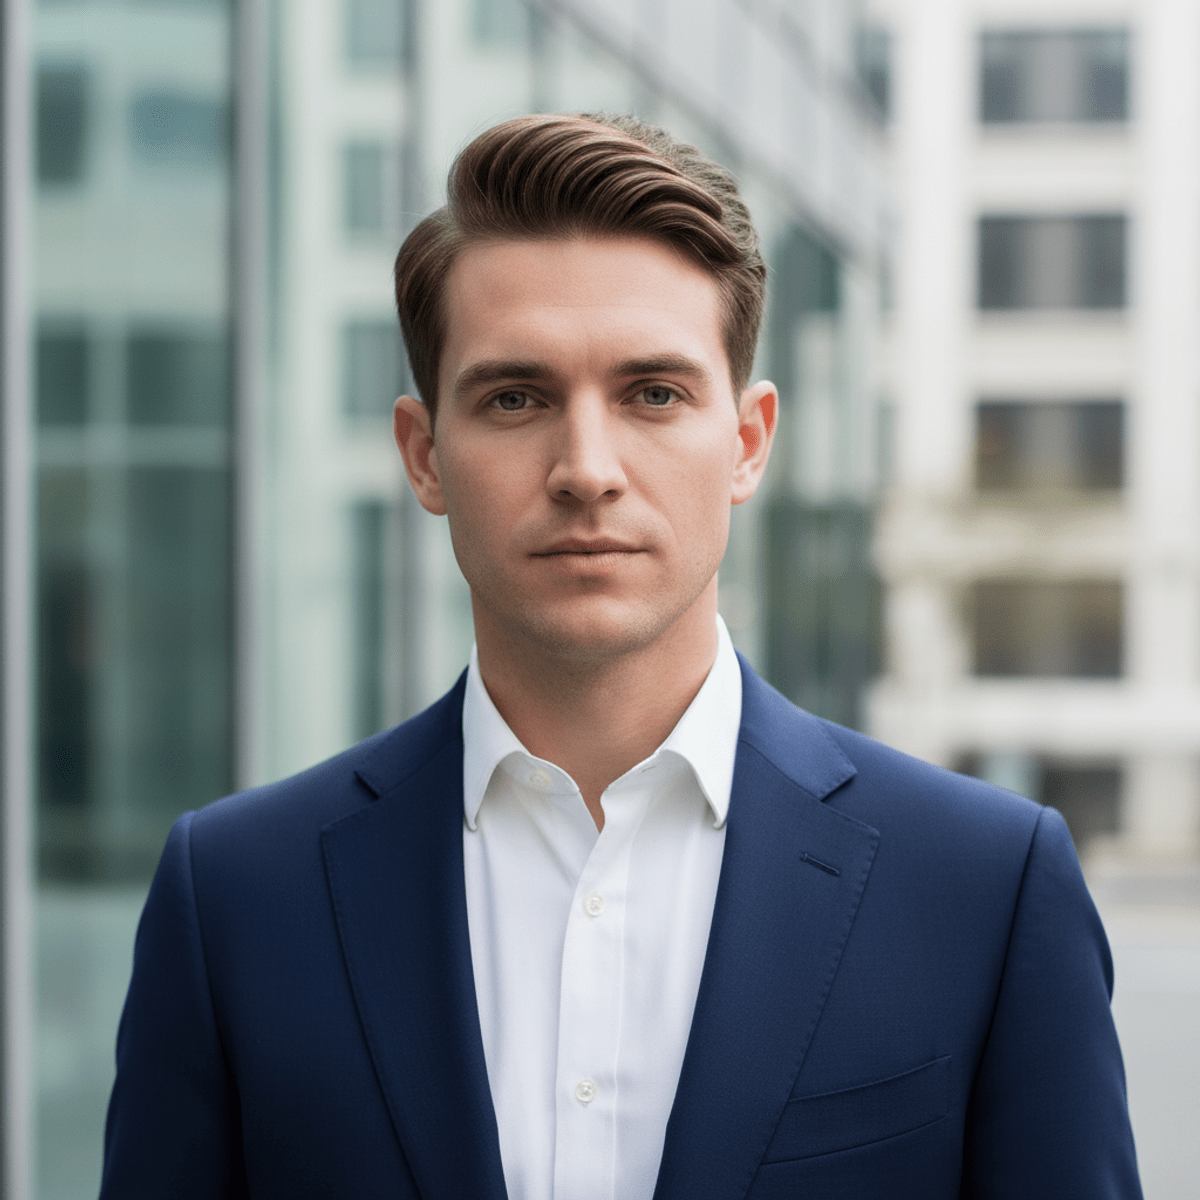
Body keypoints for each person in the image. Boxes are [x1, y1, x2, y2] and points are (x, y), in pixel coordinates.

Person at [100, 114, 1142, 1200]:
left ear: (746, 442)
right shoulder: (234, 899)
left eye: (654, 393)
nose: (586, 468)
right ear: (423, 454)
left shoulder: (983, 886)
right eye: (517, 398)